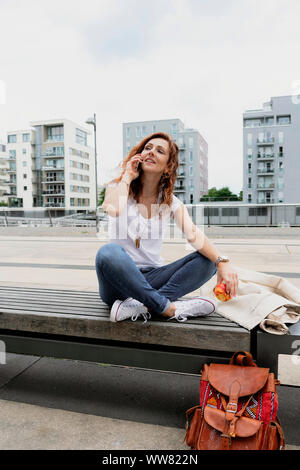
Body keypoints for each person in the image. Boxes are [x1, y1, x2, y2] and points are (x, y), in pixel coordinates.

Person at [95, 132, 238, 322]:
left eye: (159, 151)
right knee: (108, 252)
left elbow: (194, 234)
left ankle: (144, 306)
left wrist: (223, 262)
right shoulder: (117, 186)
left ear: (168, 166)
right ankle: (166, 307)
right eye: (147, 148)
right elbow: (113, 209)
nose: (151, 152)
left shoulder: (171, 202)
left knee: (207, 260)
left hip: (153, 278)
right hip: (118, 284)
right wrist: (128, 176)